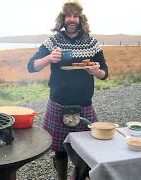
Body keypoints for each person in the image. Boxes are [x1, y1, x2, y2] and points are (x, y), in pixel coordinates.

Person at [27, 1, 108, 179]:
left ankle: (77, 177)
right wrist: (48, 57)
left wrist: (96, 71)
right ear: (63, 19)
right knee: (60, 150)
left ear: (81, 18)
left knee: (89, 148)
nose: (72, 19)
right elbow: (31, 66)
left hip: (84, 104)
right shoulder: (53, 41)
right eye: (68, 15)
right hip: (58, 103)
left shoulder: (91, 43)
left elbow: (104, 73)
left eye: (75, 15)